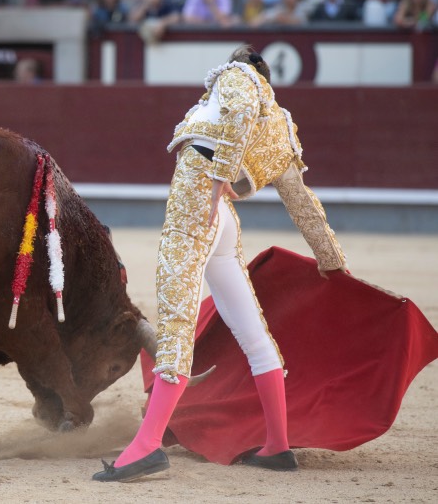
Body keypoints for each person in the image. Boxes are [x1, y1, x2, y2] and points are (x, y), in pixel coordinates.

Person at [92, 45, 348, 483]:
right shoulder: (283, 129)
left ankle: (146, 446)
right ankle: (277, 445)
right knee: (254, 333)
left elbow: (242, 109)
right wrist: (331, 259)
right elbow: (302, 201)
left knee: (176, 319)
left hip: (198, 203)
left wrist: (220, 177)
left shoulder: (238, 78)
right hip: (223, 221)